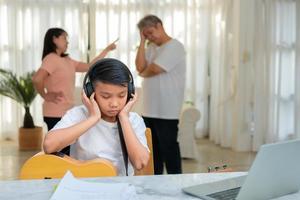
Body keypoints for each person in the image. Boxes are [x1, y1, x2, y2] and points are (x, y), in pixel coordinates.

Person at [43, 58, 150, 176]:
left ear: (130, 93)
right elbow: (49, 145)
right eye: (106, 96)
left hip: (120, 189)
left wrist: (124, 118)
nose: (114, 104)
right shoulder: (78, 115)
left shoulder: (133, 120)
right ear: (90, 93)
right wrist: (93, 118)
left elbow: (140, 163)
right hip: (83, 186)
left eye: (121, 95)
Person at [32, 28, 116, 154]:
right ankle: (57, 174)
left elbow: (90, 66)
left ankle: (65, 174)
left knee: (67, 151)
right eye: (64, 38)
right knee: (59, 151)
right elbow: (37, 79)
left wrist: (107, 50)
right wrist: (45, 95)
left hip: (67, 111)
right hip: (55, 112)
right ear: (54, 39)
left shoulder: (67, 60)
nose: (67, 42)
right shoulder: (51, 58)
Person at [135, 15, 186, 174]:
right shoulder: (151, 48)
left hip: (167, 109)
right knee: (153, 149)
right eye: (146, 35)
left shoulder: (175, 46)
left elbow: (155, 69)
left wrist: (143, 73)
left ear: (159, 25)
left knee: (169, 148)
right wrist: (142, 42)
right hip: (149, 108)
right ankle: (155, 181)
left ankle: (176, 181)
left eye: (150, 32)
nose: (149, 37)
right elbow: (140, 67)